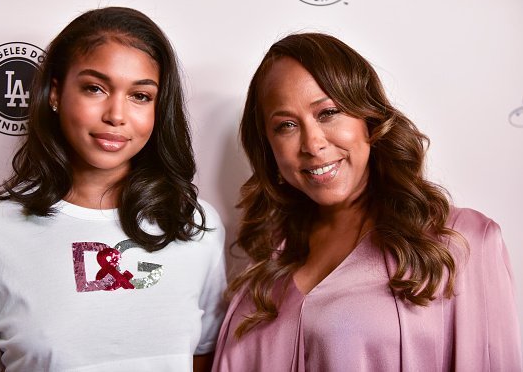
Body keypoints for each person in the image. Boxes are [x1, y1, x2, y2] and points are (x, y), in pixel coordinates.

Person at [0, 7, 226, 372]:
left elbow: (202, 359)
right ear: (55, 93)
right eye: (95, 88)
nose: (116, 115)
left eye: (140, 96)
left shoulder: (197, 227)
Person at [212, 33, 522, 371]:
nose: (313, 144)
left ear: (369, 120)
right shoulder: (268, 262)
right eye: (286, 125)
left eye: (328, 112)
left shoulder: (461, 242)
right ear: (269, 148)